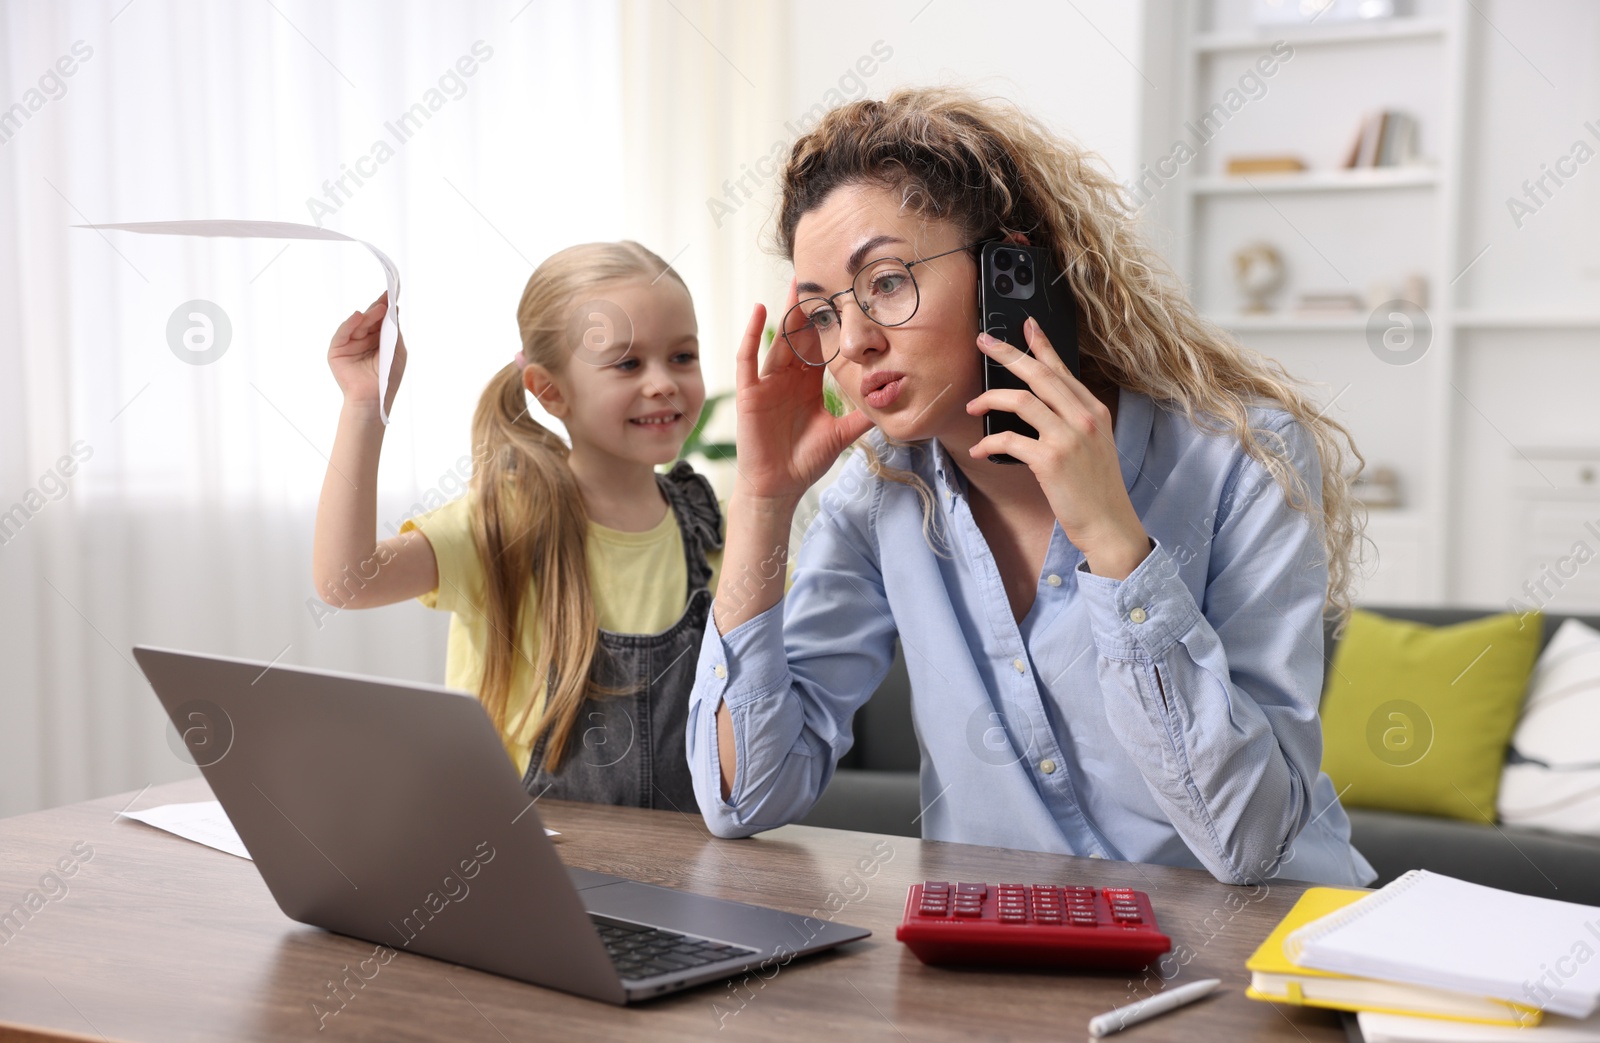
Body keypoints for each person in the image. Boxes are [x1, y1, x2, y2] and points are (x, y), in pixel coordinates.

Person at [688, 87, 1377, 886]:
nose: (857, 341)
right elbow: (744, 798)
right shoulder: (878, 498)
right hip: (1017, 979)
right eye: (824, 312)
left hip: (1259, 962)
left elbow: (1251, 847)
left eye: (883, 281)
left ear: (1010, 272)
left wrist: (1117, 547)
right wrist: (763, 502)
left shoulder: (1241, 461)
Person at [312, 241, 722, 811]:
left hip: (677, 870)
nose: (663, 383)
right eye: (628, 363)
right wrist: (363, 405)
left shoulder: (711, 532)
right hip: (518, 862)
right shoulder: (508, 523)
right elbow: (346, 581)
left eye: (682, 356)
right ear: (550, 391)